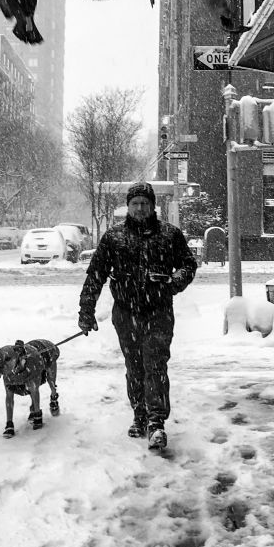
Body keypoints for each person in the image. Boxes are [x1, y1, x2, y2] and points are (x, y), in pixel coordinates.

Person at [77, 181, 198, 450]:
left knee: (155, 365)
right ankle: (139, 414)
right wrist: (86, 311)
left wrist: (173, 282)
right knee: (135, 367)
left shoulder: (169, 235)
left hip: (159, 312)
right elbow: (95, 276)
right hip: (126, 313)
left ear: (153, 206)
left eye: (145, 203)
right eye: (135, 204)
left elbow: (188, 265)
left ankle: (156, 422)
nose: (140, 208)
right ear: (128, 207)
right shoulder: (114, 238)